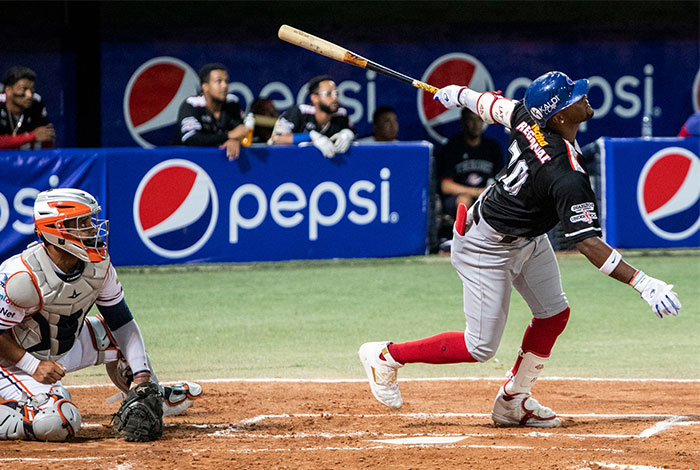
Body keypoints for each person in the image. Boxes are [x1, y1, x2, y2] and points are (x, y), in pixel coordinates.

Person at [358, 72, 681, 428]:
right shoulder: (565, 174)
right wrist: (642, 282)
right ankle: (386, 355)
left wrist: (460, 94)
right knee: (480, 347)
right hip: (486, 246)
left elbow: (492, 105)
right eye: (574, 97)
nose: (584, 97)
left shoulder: (529, 116)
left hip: (526, 236)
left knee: (554, 313)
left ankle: (513, 401)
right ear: (558, 116)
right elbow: (587, 243)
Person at [0, 188, 202, 441]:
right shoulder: (20, 277)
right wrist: (33, 366)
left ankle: (149, 398)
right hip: (12, 364)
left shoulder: (99, 264)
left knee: (119, 340)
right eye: (82, 223)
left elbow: (121, 321)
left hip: (60, 349)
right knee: (58, 422)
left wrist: (142, 377)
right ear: (56, 229)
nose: (92, 230)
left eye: (90, 222)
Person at [176, 63, 254, 161]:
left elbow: (240, 130)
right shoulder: (192, 104)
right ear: (205, 87)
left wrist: (235, 140)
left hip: (220, 163)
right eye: (219, 81)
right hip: (189, 162)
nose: (225, 86)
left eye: (226, 81)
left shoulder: (232, 102)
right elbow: (191, 139)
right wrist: (228, 135)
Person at [437, 108, 504, 218]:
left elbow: (501, 181)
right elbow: (446, 186)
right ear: (463, 122)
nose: (475, 124)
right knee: (464, 200)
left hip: (486, 194)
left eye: (478, 120)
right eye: (471, 120)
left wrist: (486, 193)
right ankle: (462, 234)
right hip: (459, 197)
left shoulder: (492, 147)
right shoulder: (452, 147)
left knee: (495, 201)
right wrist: (475, 192)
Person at [269, 75, 354, 158]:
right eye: (328, 94)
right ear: (314, 98)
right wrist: (311, 136)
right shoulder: (300, 112)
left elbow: (354, 136)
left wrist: (347, 134)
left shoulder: (341, 115)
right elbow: (277, 138)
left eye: (336, 93)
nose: (335, 97)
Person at [0, 66, 55, 150]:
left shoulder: (36, 101)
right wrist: (31, 136)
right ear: (8, 90)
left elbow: (46, 137)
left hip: (25, 159)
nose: (29, 95)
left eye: (31, 89)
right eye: (23, 89)